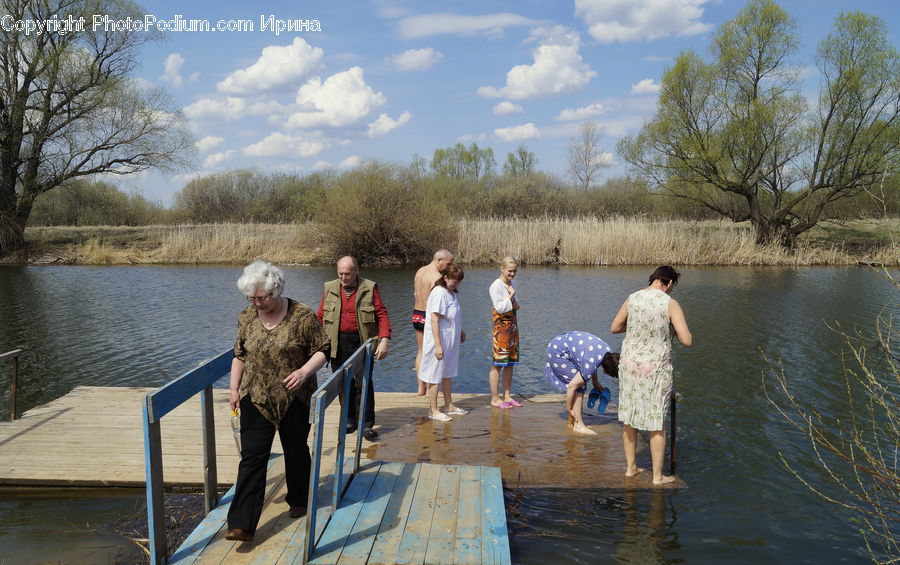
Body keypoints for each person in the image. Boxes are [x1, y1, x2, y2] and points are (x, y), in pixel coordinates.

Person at [226, 260, 329, 542]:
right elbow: (239, 355)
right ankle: (241, 524)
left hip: (293, 396)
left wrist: (304, 371)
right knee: (252, 458)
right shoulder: (246, 317)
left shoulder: (302, 315)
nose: (257, 303)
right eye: (252, 297)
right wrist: (234, 389)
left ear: (276, 289)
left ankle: (299, 498)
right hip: (256, 397)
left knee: (295, 449)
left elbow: (322, 350)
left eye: (263, 297)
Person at [611, 265, 692, 485]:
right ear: (670, 282)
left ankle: (631, 469)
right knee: (657, 422)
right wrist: (670, 328)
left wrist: (638, 327)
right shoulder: (670, 304)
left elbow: (615, 327)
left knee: (629, 417)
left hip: (629, 367)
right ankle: (657, 477)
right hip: (655, 369)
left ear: (654, 279)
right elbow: (687, 340)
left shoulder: (633, 298)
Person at [316, 256, 391, 441]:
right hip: (336, 342)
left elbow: (381, 314)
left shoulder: (369, 287)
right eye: (340, 273)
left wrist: (384, 340)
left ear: (356, 271)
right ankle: (349, 419)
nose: (343, 277)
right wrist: (314, 342)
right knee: (343, 383)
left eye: (347, 273)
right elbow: (320, 315)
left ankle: (366, 424)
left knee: (363, 383)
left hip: (362, 342)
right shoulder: (329, 288)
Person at [545, 331, 620, 434]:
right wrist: (569, 408)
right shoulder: (591, 363)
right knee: (579, 386)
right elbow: (572, 387)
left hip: (561, 343)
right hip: (558, 352)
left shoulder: (608, 353)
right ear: (605, 370)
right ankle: (578, 425)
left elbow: (591, 362)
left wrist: (595, 381)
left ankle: (573, 422)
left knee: (581, 381)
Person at [419, 264, 467, 421]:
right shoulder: (439, 293)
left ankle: (449, 405)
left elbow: (453, 315)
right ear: (445, 278)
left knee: (448, 372)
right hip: (438, 340)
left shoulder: (451, 293)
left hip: (450, 340)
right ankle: (433, 410)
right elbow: (434, 320)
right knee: (435, 373)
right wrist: (438, 345)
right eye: (453, 281)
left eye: (458, 281)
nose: (456, 284)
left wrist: (460, 330)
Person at [413, 249, 453, 395]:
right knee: (433, 353)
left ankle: (420, 387)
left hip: (417, 313)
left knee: (421, 351)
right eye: (448, 263)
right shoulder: (436, 277)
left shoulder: (420, 271)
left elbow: (415, 293)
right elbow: (437, 302)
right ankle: (431, 389)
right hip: (429, 317)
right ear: (439, 260)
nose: (450, 266)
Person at [488, 257, 522, 408]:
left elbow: (516, 305)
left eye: (514, 271)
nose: (512, 274)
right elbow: (500, 308)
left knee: (510, 363)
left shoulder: (513, 284)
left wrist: (513, 298)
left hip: (512, 327)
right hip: (500, 328)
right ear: (501, 268)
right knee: (498, 363)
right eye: (510, 271)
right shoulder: (496, 286)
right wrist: (510, 295)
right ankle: (495, 398)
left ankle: (507, 396)